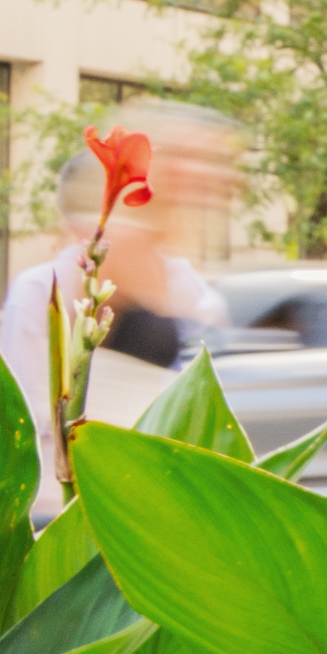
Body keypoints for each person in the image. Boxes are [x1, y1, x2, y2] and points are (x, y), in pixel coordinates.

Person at [4, 119, 228, 499]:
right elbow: (25, 412)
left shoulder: (178, 276)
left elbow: (202, 370)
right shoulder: (46, 288)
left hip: (152, 479)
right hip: (67, 490)